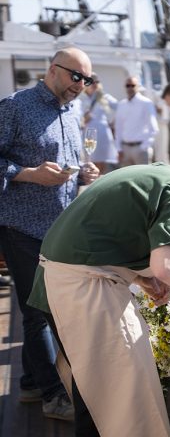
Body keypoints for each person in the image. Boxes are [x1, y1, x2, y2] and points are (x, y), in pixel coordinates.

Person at [28, 154, 170, 436]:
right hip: (78, 286)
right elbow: (167, 265)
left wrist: (142, 277)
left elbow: (116, 231)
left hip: (60, 279)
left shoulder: (162, 175)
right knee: (113, 396)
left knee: (94, 392)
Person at [0, 47, 100, 421]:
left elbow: (69, 162)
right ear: (54, 70)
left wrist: (85, 172)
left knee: (37, 309)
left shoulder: (71, 112)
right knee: (38, 310)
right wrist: (29, 174)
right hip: (21, 226)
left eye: (87, 80)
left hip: (58, 227)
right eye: (77, 77)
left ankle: (29, 383)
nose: (81, 86)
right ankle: (53, 393)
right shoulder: (15, 106)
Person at [114, 76, 159, 166]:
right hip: (125, 149)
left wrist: (143, 147)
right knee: (125, 177)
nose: (130, 88)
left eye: (133, 85)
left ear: (138, 86)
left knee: (143, 179)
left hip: (140, 149)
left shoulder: (146, 103)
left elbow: (154, 129)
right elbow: (118, 128)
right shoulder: (122, 104)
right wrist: (119, 149)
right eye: (128, 85)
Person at [82, 73, 119, 173]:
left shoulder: (104, 96)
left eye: (97, 81)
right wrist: (83, 119)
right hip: (89, 133)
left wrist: (114, 123)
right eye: (92, 81)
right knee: (90, 160)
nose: (95, 84)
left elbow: (120, 108)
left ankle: (98, 182)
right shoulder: (81, 98)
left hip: (103, 134)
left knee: (102, 161)